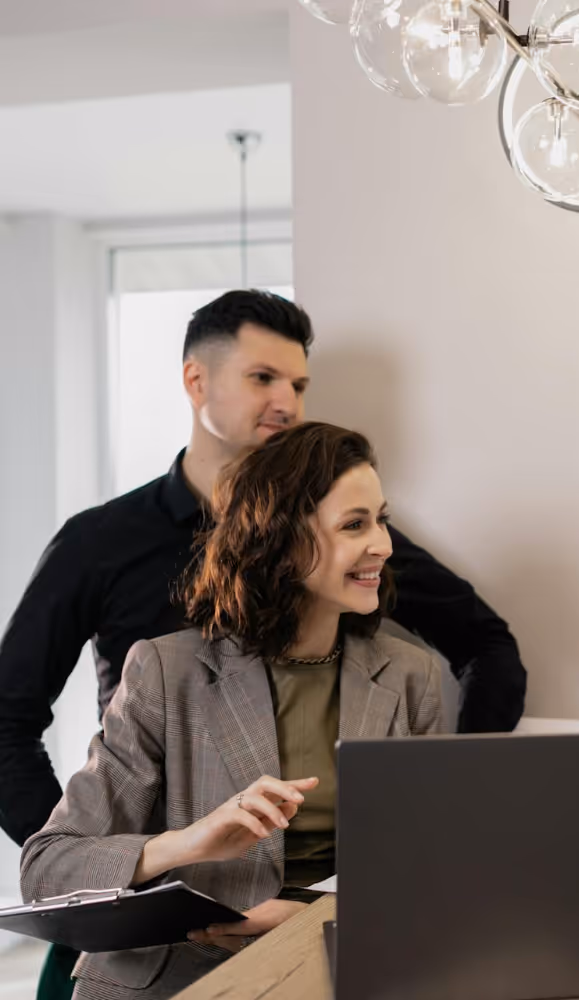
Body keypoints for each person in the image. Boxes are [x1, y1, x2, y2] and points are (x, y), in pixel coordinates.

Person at [0, 289, 525, 999]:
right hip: (159, 930)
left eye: (299, 384)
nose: (286, 402)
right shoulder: (115, 573)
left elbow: (486, 650)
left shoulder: (404, 667)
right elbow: (19, 746)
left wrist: (449, 787)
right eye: (263, 378)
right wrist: (125, 873)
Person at [21, 421, 441, 1000]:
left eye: (381, 519)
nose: (384, 545)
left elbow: (429, 868)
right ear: (282, 540)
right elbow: (48, 867)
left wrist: (319, 916)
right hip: (175, 975)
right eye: (354, 525)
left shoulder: (411, 675)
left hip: (351, 964)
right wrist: (191, 842)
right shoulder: (166, 673)